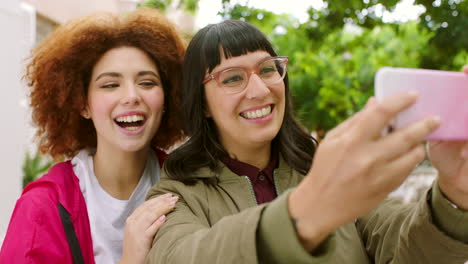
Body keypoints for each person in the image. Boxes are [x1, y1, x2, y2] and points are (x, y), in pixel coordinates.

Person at [145, 19, 468, 263]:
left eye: (268, 69)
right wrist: (308, 211)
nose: (259, 90)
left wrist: (454, 194)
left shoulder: (324, 167)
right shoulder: (176, 195)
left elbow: (405, 247)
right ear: (201, 104)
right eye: (232, 78)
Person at [0, 8, 185, 264]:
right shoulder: (42, 207)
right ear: (82, 104)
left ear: (167, 99)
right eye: (110, 84)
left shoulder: (193, 186)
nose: (132, 96)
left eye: (147, 82)